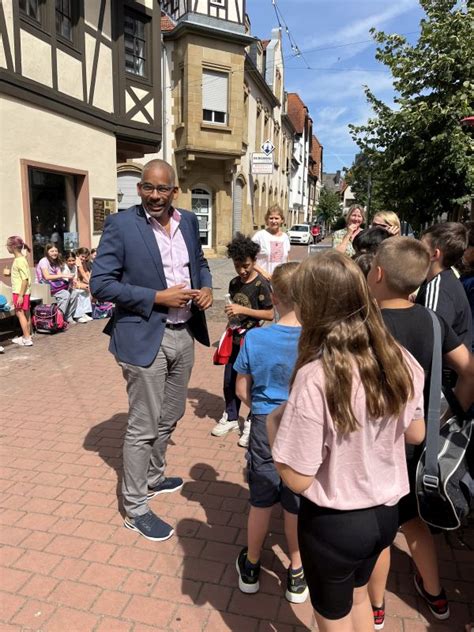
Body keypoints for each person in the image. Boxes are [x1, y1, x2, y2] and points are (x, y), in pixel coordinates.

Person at [268, 250, 426, 632]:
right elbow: (416, 433)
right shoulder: (400, 359)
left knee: (331, 620)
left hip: (333, 524)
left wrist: (275, 424)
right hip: (385, 515)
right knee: (358, 599)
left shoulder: (316, 377)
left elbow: (297, 479)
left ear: (310, 307)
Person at [90, 159, 213, 543]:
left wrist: (206, 287)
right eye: (148, 188)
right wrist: (155, 297)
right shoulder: (122, 225)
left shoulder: (189, 222)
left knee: (172, 414)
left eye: (163, 189)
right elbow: (100, 284)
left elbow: (202, 263)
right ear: (139, 189)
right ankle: (135, 507)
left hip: (184, 332)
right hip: (144, 336)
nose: (155, 196)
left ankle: (155, 476)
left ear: (174, 191)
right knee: (143, 426)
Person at [367, 237, 474, 629]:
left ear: (377, 273)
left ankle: (376, 607)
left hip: (375, 444)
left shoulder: (365, 322)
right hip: (421, 441)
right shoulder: (432, 321)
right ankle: (436, 594)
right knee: (414, 523)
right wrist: (453, 413)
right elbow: (470, 370)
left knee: (381, 531)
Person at [234, 262, 308, 604]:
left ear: (274, 297)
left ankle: (251, 565)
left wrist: (261, 406)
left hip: (266, 421)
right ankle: (296, 571)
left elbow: (240, 390)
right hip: (303, 424)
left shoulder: (256, 337)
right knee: (295, 501)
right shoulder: (316, 339)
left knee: (261, 498)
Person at [211, 233, 274, 447]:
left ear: (254, 261)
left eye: (245, 265)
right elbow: (234, 307)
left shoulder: (261, 284)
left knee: (250, 383)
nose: (242, 270)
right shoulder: (233, 283)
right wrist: (232, 316)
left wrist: (243, 309)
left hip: (254, 340)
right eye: (237, 265)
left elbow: (270, 314)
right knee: (229, 380)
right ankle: (230, 417)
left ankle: (250, 422)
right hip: (235, 338)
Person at [416, 222, 472, 350]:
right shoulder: (443, 280)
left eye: (421, 247)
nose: (416, 251)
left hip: (443, 368)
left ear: (435, 254)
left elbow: (430, 339)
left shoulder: (438, 288)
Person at [36, 243, 78, 323]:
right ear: (47, 252)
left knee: (74, 294)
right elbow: (47, 276)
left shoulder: (56, 261)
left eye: (56, 251)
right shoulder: (43, 261)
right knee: (65, 294)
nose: (54, 253)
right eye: (52, 251)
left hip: (54, 286)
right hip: (44, 287)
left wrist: (70, 278)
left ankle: (68, 316)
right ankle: (58, 318)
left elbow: (59, 275)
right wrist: (63, 275)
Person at [6, 236, 33, 347]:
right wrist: (11, 274)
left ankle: (26, 338)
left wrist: (20, 295)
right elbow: (22, 276)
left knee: (19, 313)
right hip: (24, 291)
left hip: (19, 292)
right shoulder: (22, 259)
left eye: (7, 245)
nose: (7, 248)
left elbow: (24, 279)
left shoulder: (19, 261)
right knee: (26, 313)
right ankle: (27, 335)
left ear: (12, 247)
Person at [251, 206, 291, 280]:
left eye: (276, 218)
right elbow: (249, 258)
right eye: (271, 218)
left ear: (282, 220)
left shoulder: (285, 237)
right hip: (262, 280)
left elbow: (287, 258)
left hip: (280, 280)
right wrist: (263, 273)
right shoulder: (259, 236)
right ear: (267, 220)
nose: (273, 221)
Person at [63, 251, 92, 323]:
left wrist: (83, 286)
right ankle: (78, 316)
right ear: (66, 261)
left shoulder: (75, 267)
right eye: (69, 261)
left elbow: (75, 280)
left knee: (85, 290)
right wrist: (80, 286)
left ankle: (84, 313)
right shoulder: (64, 268)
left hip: (72, 286)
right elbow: (66, 282)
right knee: (76, 293)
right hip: (65, 287)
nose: (71, 262)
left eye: (73, 260)